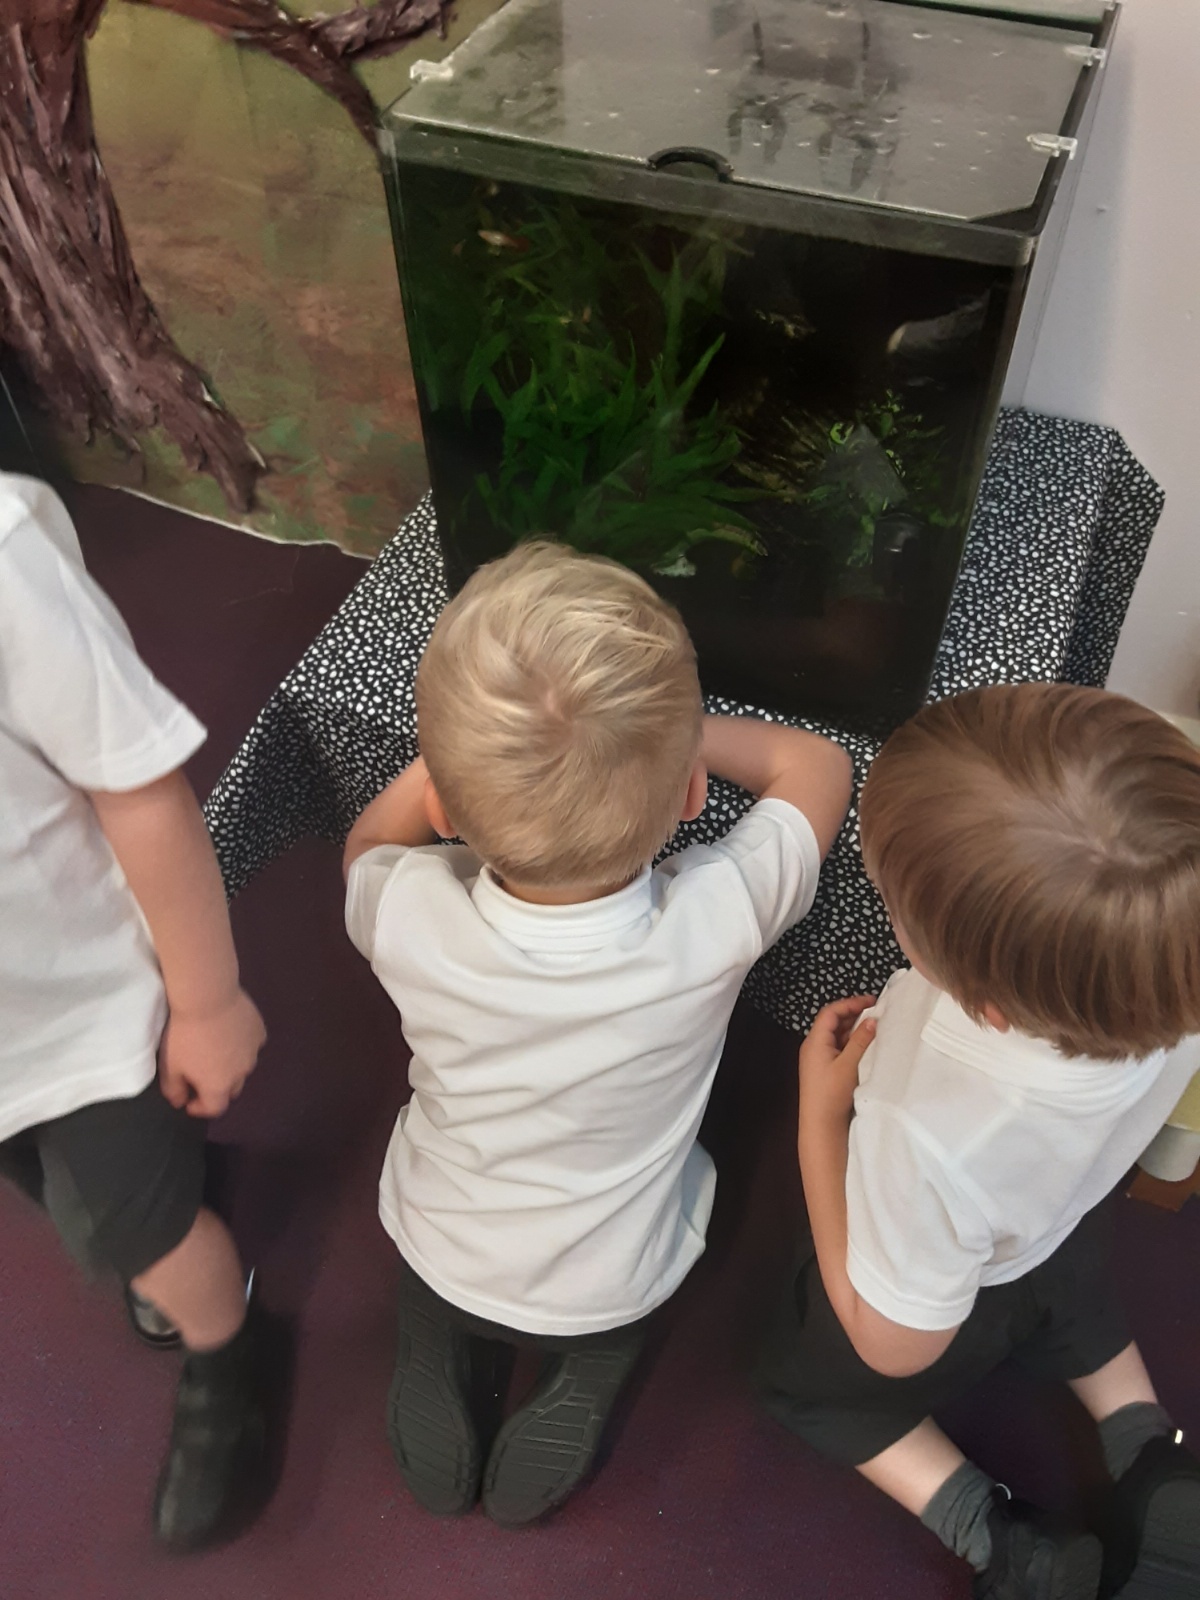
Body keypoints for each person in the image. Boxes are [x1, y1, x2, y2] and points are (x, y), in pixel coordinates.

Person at [342, 540, 852, 1527]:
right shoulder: (718, 916)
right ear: (693, 798)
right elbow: (816, 764)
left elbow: (369, 842)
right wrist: (670, 736)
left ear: (445, 806)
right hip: (611, 1276)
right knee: (613, 1315)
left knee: (434, 1281)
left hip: (441, 1235)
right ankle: (588, 1373)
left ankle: (433, 1342)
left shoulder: (403, 911)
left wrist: (462, 759)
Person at [759, 683, 1200, 1600]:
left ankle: (997, 1535)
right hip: (1062, 1215)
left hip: (953, 1293)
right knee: (1071, 1296)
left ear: (987, 1004)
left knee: (809, 1386)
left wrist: (819, 1120)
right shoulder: (1172, 963)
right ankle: (1151, 1450)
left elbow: (893, 1346)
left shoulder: (926, 1131)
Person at [0, 473, 272, 1552]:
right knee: (52, 1187)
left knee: (143, 1234)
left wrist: (206, 999)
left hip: (77, 1019)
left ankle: (228, 1348)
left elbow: (139, 787)